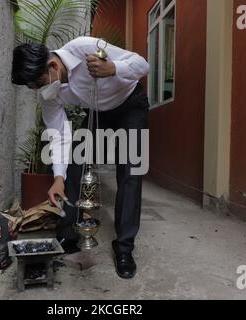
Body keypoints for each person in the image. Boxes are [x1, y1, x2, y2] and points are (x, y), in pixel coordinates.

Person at [12, 36, 150, 279]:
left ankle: (125, 247)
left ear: (52, 66)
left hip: (130, 104)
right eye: (34, 88)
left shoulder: (85, 47)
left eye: (39, 83)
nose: (40, 90)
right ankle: (68, 235)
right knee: (73, 165)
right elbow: (60, 136)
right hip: (99, 113)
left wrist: (113, 68)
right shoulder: (49, 94)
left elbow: (142, 65)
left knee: (131, 171)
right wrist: (57, 178)